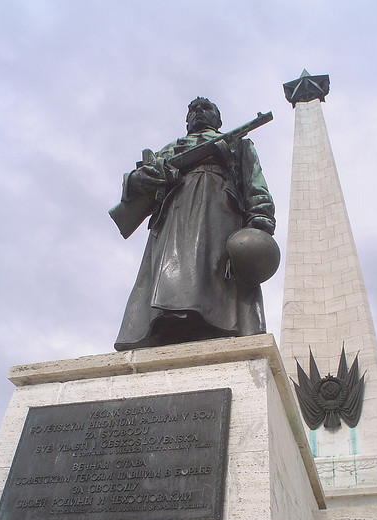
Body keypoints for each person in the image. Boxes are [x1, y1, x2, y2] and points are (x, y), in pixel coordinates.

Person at [110, 97, 275, 350]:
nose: (198, 112)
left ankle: (210, 325)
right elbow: (134, 181)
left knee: (215, 273)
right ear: (186, 120)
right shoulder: (171, 148)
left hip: (219, 213)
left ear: (217, 119)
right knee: (171, 278)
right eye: (192, 110)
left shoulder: (237, 144)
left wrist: (261, 220)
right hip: (174, 217)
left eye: (205, 108)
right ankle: (168, 325)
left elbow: (255, 183)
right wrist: (142, 178)